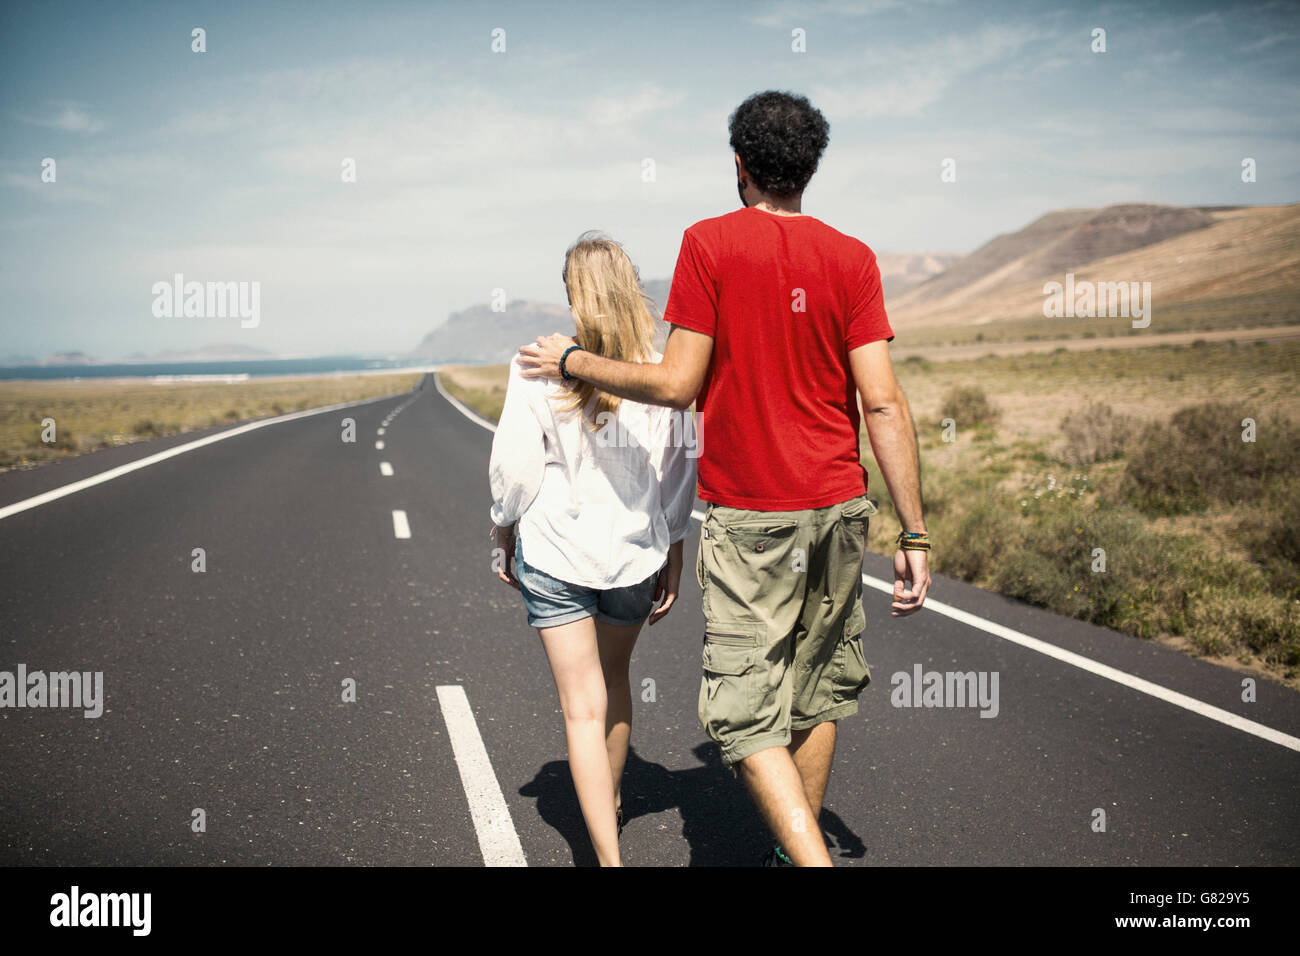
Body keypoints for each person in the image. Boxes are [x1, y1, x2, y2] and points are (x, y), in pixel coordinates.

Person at [518, 90, 931, 867]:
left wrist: (572, 361)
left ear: (739, 165)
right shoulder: (854, 257)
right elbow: (881, 399)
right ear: (811, 167)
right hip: (842, 507)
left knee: (741, 719)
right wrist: (913, 529)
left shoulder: (709, 245)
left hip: (755, 516)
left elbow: (676, 385)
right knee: (815, 692)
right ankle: (790, 850)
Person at [488, 231, 697, 867]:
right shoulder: (663, 372)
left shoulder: (534, 364)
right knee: (615, 680)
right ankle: (611, 805)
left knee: (582, 709)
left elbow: (517, 470)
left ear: (575, 296)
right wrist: (675, 549)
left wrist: (502, 531)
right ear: (629, 289)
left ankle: (607, 859)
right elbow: (681, 468)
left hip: (554, 553)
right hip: (635, 553)